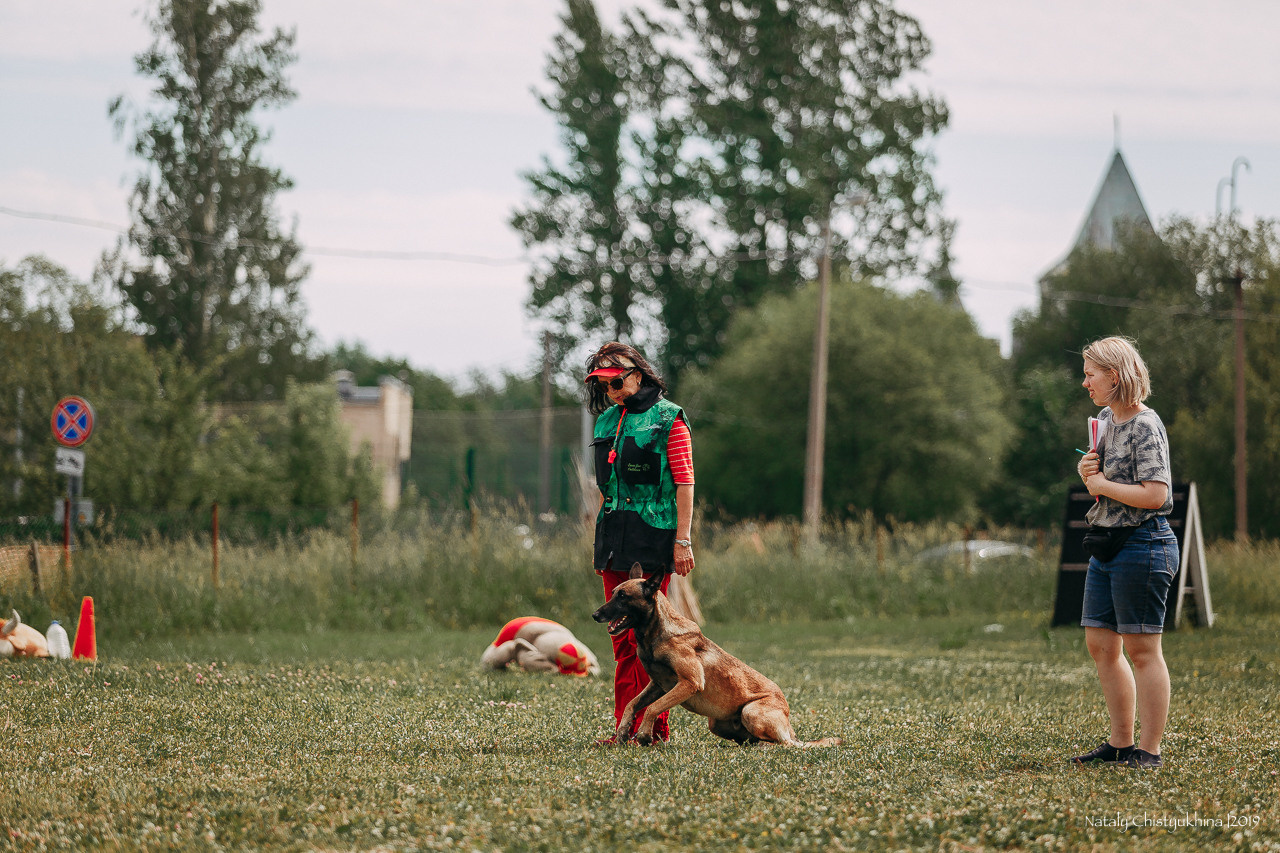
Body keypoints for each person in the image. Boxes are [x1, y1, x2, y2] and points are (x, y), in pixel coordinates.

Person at [1072, 336, 1179, 769]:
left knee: (1142, 650)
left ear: (1114, 376)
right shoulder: (1104, 418)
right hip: (1108, 545)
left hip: (1144, 543)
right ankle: (1119, 744)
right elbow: (1107, 482)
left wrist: (1100, 486)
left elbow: (1155, 495)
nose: (1085, 383)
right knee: (1101, 645)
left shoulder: (1145, 425)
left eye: (1090, 374)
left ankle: (1149, 751)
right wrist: (1088, 471)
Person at [584, 342, 695, 745]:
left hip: (653, 538)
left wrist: (682, 540)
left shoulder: (669, 418)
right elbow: (605, 486)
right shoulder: (605, 422)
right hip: (613, 538)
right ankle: (624, 730)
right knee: (620, 640)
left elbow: (684, 483)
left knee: (650, 642)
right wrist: (600, 540)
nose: (611, 390)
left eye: (616, 380)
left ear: (639, 373)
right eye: (602, 383)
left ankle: (655, 730)